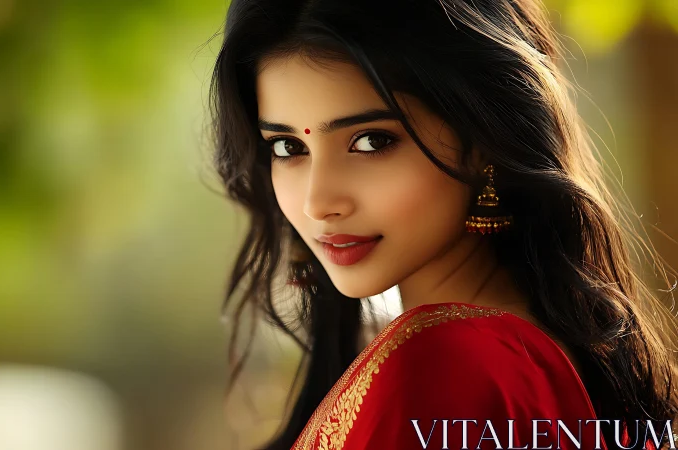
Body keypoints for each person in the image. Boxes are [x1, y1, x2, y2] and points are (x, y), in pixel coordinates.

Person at [206, 0, 678, 449]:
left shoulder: (440, 364)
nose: (317, 203)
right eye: (288, 148)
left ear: (484, 141)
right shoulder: (529, 354)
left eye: (371, 141)